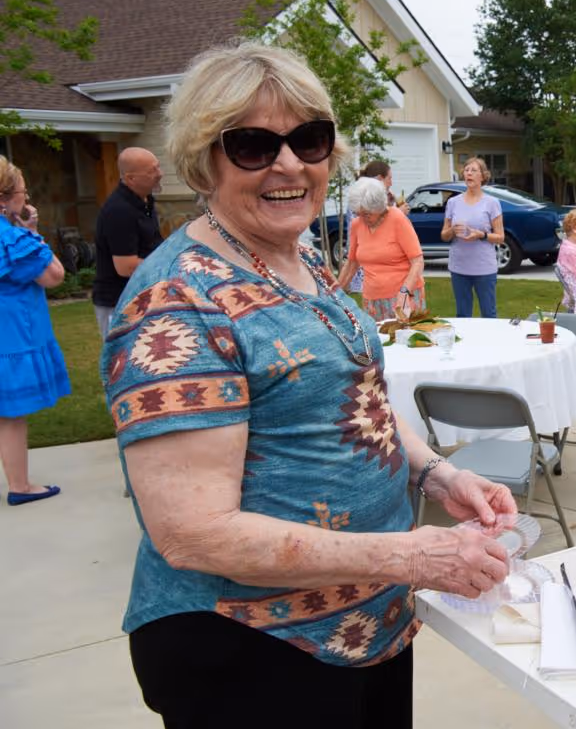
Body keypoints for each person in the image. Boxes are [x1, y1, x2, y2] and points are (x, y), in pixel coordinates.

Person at [100, 41, 515, 727]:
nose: (289, 164)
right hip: (252, 647)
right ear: (205, 158)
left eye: (309, 139)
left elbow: (355, 398)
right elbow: (194, 534)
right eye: (254, 145)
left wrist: (438, 477)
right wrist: (414, 553)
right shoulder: (176, 302)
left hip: (367, 622)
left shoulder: (294, 255)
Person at [0, 157, 70, 506]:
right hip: (10, 337)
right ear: (4, 199)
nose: (25, 201)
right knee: (11, 415)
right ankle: (20, 485)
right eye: (21, 194)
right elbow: (54, 275)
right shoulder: (11, 239)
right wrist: (30, 231)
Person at [93, 147, 164, 337]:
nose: (160, 174)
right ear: (131, 178)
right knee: (124, 362)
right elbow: (126, 267)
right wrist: (170, 263)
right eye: (152, 171)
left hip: (144, 296)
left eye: (158, 167)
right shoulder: (119, 210)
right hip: (119, 303)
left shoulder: (146, 201)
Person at [336, 177, 425, 320]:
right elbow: (351, 263)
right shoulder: (357, 225)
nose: (362, 218)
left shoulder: (397, 219)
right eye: (359, 213)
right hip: (371, 299)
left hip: (404, 296)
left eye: (367, 214)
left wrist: (404, 291)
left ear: (379, 207)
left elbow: (417, 261)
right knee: (376, 340)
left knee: (404, 339)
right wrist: (335, 293)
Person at [441, 157, 503, 317]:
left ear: (483, 176)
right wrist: (453, 230)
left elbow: (500, 237)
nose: (468, 173)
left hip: (484, 269)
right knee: (462, 316)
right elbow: (444, 235)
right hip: (459, 267)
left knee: (489, 314)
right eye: (466, 170)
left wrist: (480, 235)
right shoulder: (453, 202)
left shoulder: (492, 203)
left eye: (473, 170)